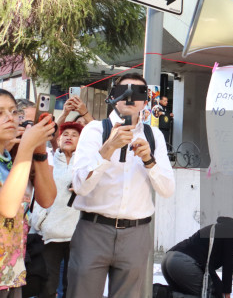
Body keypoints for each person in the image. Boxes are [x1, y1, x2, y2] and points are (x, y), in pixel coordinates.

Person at [67, 73, 175, 298]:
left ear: (146, 101)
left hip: (136, 233)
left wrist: (149, 161)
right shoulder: (95, 130)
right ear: (113, 97)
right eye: (123, 91)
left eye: (138, 93)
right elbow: (80, 187)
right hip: (93, 230)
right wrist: (107, 148)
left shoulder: (153, 136)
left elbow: (167, 190)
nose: (129, 97)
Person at [0, 89, 56, 298]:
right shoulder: (18, 154)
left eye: (14, 112)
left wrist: (39, 149)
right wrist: (26, 146)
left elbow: (47, 199)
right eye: (0, 113)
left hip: (11, 272)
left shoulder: (10, 159)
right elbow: (7, 207)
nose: (10, 119)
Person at [30, 122, 82, 298]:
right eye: (65, 134)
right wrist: (40, 222)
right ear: (58, 139)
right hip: (49, 235)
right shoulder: (48, 161)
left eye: (74, 135)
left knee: (73, 286)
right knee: (46, 286)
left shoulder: (85, 166)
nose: (68, 137)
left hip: (76, 235)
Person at [161, 213, 233, 298]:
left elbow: (226, 256)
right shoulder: (232, 234)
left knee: (185, 292)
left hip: (169, 259)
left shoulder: (224, 227)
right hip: (183, 263)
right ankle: (163, 295)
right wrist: (227, 294)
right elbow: (228, 265)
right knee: (212, 295)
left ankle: (160, 292)